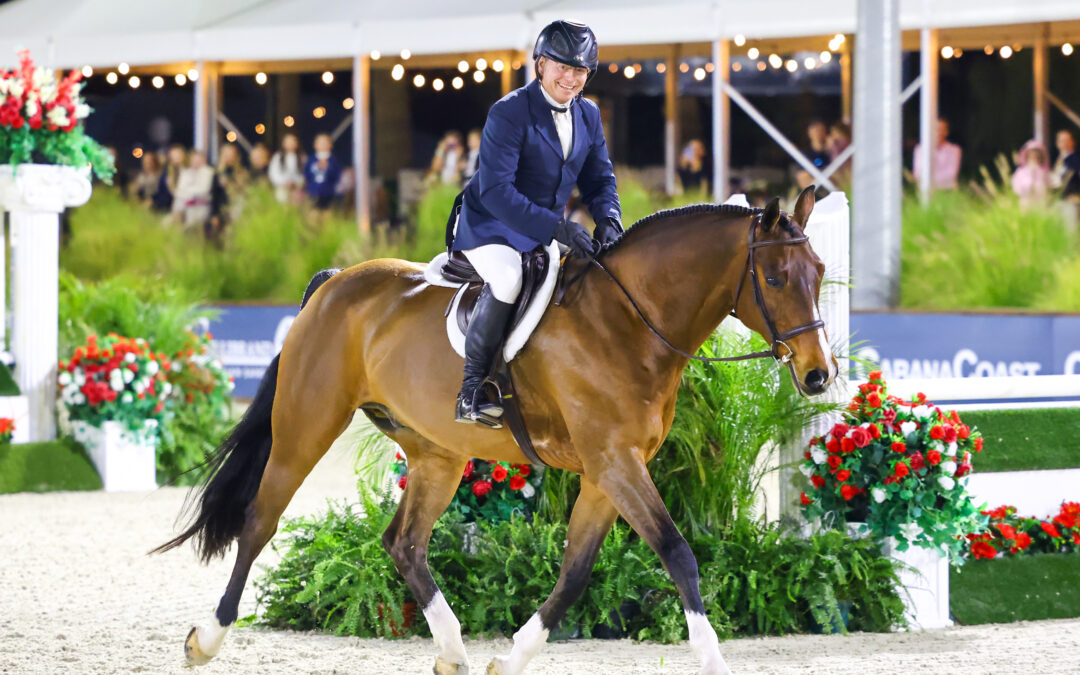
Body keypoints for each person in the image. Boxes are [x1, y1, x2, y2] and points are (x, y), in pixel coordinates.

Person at [450, 20, 623, 426]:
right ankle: (472, 390)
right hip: (490, 224)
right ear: (541, 64)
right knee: (509, 278)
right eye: (562, 66)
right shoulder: (509, 112)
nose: (571, 77)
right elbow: (496, 191)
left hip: (540, 228)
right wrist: (558, 228)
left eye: (579, 70)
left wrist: (609, 220)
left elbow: (599, 178)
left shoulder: (589, 114)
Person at [913, 118, 962, 190]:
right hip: (925, 191)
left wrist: (930, 180)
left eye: (941, 129)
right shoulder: (920, 149)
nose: (939, 132)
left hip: (947, 192)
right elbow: (918, 172)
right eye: (936, 129)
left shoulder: (954, 150)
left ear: (946, 132)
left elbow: (951, 174)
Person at [172, 150, 216, 229]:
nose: (196, 162)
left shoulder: (208, 172)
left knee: (192, 227)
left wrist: (188, 191)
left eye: (198, 160)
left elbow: (203, 190)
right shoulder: (185, 173)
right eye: (194, 160)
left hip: (202, 208)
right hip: (185, 207)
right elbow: (179, 192)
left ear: (203, 160)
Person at [303, 133, 343, 212]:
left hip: (329, 192)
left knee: (328, 211)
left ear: (330, 145)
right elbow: (307, 174)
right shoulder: (311, 160)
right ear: (315, 145)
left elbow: (337, 176)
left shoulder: (333, 160)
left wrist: (327, 168)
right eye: (320, 143)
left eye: (325, 143)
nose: (322, 145)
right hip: (313, 191)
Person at [1011, 140, 1051, 209]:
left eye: (1037, 154)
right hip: (1026, 202)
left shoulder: (1044, 172)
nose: (1034, 156)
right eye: (1032, 153)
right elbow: (1016, 188)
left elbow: (1049, 186)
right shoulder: (1021, 171)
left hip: (1041, 203)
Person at [269, 133, 305, 204]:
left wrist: (296, 183)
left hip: (297, 188)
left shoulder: (302, 157)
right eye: (288, 142)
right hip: (282, 188)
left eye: (293, 142)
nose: (291, 144)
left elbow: (304, 174)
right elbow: (273, 173)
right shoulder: (278, 157)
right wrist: (284, 182)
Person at [152, 143, 187, 213]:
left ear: (183, 155)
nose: (175, 157)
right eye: (172, 156)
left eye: (177, 155)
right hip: (171, 206)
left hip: (186, 206)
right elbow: (162, 191)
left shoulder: (188, 171)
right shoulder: (168, 172)